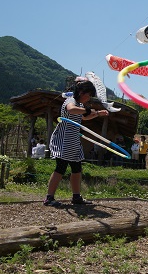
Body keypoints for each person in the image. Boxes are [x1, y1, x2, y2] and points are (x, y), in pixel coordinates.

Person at [44, 79, 109, 207]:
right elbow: (71, 110)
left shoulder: (80, 105)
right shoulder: (71, 101)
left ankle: (76, 196)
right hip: (64, 140)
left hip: (73, 141)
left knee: (77, 169)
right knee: (60, 168)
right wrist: (87, 110)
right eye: (89, 95)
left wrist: (97, 114)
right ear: (81, 92)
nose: (89, 98)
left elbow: (84, 117)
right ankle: (49, 198)